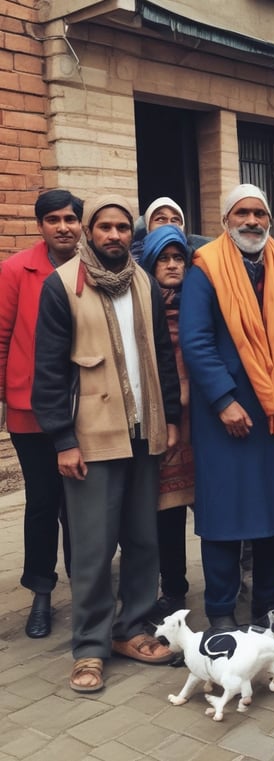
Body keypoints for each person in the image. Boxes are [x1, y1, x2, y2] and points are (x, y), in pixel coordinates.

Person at [32, 194, 181, 692]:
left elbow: (161, 353)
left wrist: (172, 418)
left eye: (122, 227)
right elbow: (49, 371)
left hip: (144, 433)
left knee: (143, 539)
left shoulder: (142, 280)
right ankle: (90, 647)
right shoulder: (61, 286)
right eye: (104, 227)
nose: (114, 235)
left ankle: (131, 629)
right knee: (93, 549)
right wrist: (62, 440)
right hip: (91, 437)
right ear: (89, 232)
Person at [179, 184, 274, 639]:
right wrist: (222, 400)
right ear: (226, 221)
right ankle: (220, 611)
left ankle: (269, 607)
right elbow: (195, 342)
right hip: (228, 416)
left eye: (260, 214)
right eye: (243, 213)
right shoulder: (205, 268)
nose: (252, 222)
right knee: (224, 516)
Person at [0, 189, 80, 639]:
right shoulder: (15, 270)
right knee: (43, 502)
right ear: (41, 226)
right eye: (54, 219)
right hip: (30, 410)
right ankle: (42, 592)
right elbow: (2, 335)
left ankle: (84, 588)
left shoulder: (91, 269)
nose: (63, 226)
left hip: (81, 408)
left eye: (70, 218)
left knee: (78, 506)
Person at [139, 225, 195, 623]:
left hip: (203, 421)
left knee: (210, 504)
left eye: (179, 259)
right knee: (168, 509)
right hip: (164, 419)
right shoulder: (142, 307)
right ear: (151, 264)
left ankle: (232, 580)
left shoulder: (198, 303)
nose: (173, 265)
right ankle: (174, 588)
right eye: (165, 259)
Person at [131, 196, 210, 261]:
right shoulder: (132, 264)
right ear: (148, 226)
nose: (169, 225)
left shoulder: (198, 259)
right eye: (161, 219)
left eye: (175, 220)